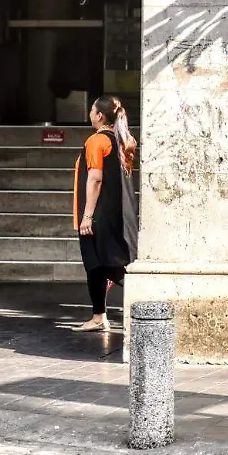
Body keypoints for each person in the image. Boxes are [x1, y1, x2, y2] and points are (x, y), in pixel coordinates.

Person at [73, 96, 139, 332]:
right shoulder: (120, 140)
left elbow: (95, 179)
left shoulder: (97, 140)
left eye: (92, 110)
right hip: (115, 215)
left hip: (98, 215)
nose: (90, 113)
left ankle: (100, 315)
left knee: (99, 266)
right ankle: (99, 316)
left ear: (99, 115)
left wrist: (87, 216)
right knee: (105, 266)